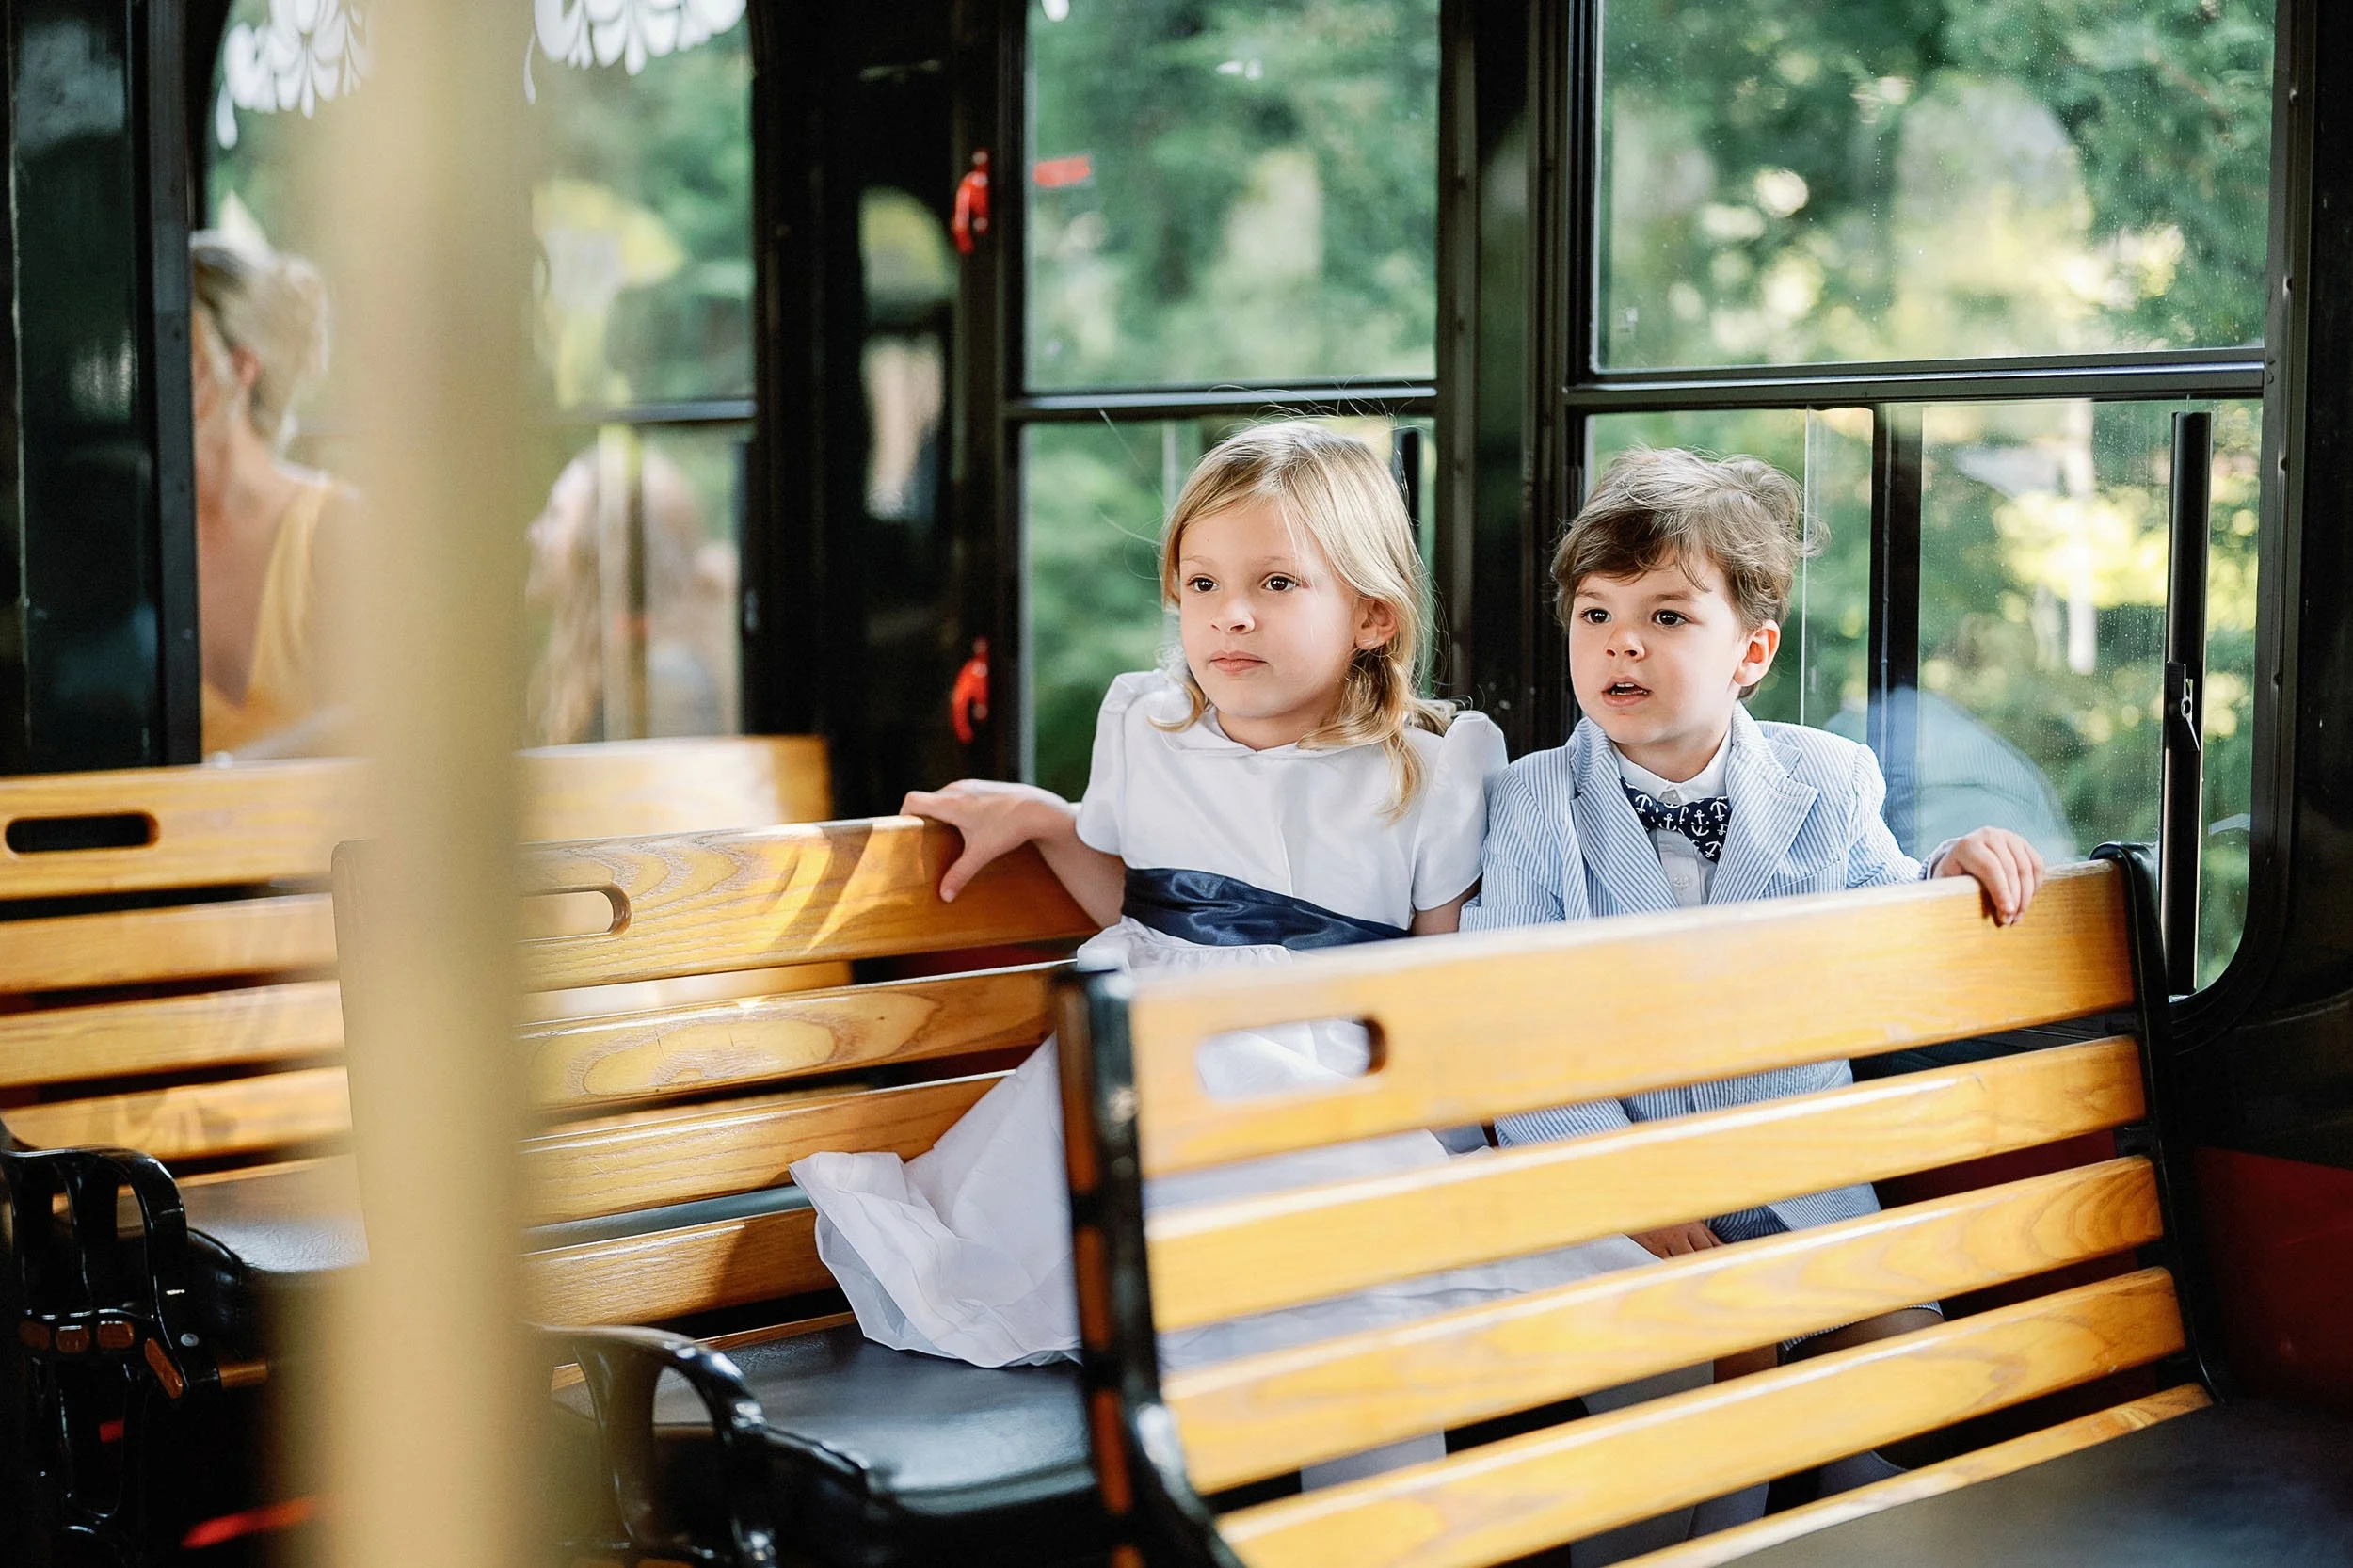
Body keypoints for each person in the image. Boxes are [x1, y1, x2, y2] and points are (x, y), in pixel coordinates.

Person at [790, 423, 1657, 1481]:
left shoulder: (1432, 765)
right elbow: (1147, 903)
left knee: (1421, 1299)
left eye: (1278, 581)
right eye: (1200, 583)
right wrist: (1047, 821)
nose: (1227, 613)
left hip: (1345, 1084)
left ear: (1372, 615)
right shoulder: (1141, 726)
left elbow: (1440, 982)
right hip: (1158, 1084)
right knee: (1317, 1267)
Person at [1465, 445, 2047, 1502]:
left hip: (1803, 1192)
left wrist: (1945, 872)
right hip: (1623, 1198)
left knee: (1920, 1391)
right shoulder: (1533, 799)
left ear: (1753, 651)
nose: (1621, 642)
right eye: (1593, 615)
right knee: (1678, 1414)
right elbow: (1515, 1032)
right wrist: (1623, 1184)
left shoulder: (1826, 779)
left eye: (1667, 616)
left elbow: (1885, 915)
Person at [192, 231, 352, 760]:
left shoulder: (337, 527)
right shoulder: (129, 539)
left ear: (241, 368)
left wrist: (231, 775)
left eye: (176, 350)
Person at [524, 445, 741, 745]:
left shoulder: (663, 684)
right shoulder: (613, 674)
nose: (534, 533)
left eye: (556, 515)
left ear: (602, 549)